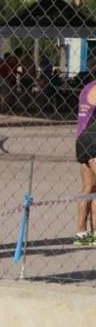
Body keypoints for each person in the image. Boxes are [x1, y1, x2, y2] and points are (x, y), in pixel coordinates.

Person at [74, 80, 96, 246]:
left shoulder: (88, 87)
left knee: (89, 187)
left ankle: (82, 233)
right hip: (92, 138)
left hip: (82, 138)